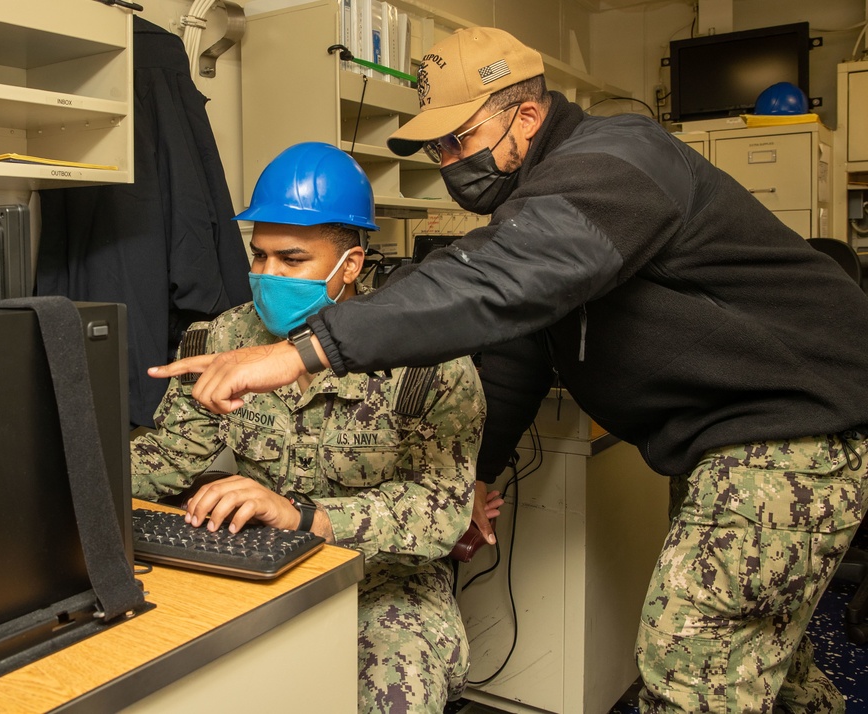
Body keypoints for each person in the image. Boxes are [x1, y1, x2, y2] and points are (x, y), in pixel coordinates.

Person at [150, 27, 868, 712]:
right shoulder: (545, 201)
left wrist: (299, 351)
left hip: (788, 438)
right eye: (436, 148)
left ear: (527, 116)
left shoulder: (619, 157)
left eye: (459, 140)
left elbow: (501, 280)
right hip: (735, 445)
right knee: (763, 650)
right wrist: (481, 476)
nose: (448, 163)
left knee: (695, 664)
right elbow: (522, 349)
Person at [131, 141, 486, 714]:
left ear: (351, 265)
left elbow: (440, 511)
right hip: (257, 568)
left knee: (395, 693)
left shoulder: (427, 357)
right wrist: (68, 472)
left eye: (291, 260)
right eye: (259, 256)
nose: (266, 276)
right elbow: (170, 456)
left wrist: (306, 518)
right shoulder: (224, 339)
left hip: (383, 583)